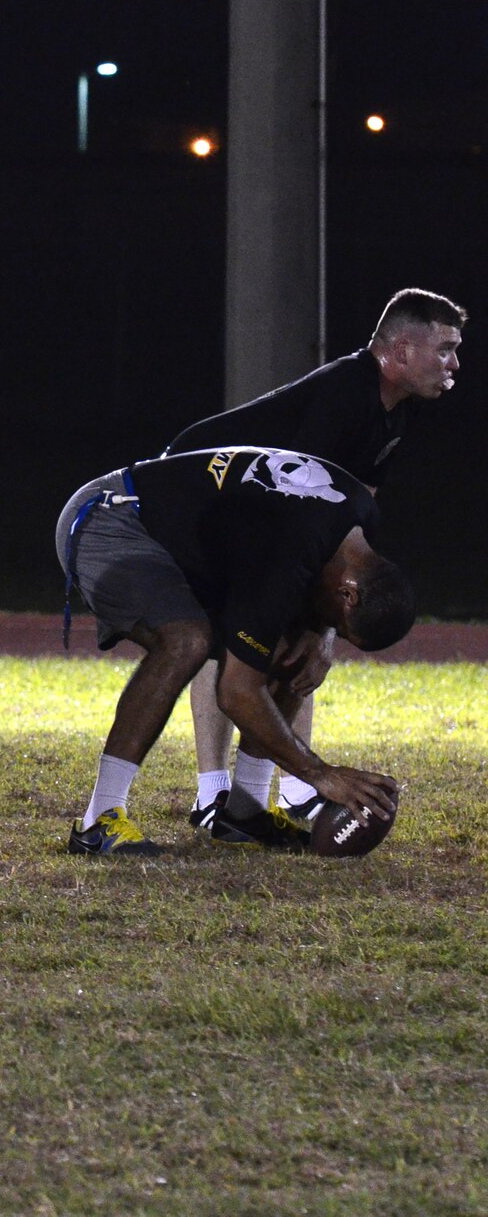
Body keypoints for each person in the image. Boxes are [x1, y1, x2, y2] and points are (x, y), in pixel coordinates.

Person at [165, 289, 464, 832]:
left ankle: (256, 800)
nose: (455, 364)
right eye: (444, 349)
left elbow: (352, 509)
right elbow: (291, 510)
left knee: (293, 643)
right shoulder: (346, 397)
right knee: (234, 639)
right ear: (399, 352)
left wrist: (321, 625)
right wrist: (312, 621)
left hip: (261, 518)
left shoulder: (395, 410)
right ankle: (216, 795)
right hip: (198, 502)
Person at [56, 446, 415, 855]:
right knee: (186, 642)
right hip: (113, 516)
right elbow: (236, 693)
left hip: (184, 540)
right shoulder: (288, 550)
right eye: (344, 628)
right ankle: (98, 821)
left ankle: (244, 814)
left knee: (295, 651)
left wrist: (321, 633)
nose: (338, 632)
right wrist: (320, 774)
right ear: (348, 594)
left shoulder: (358, 524)